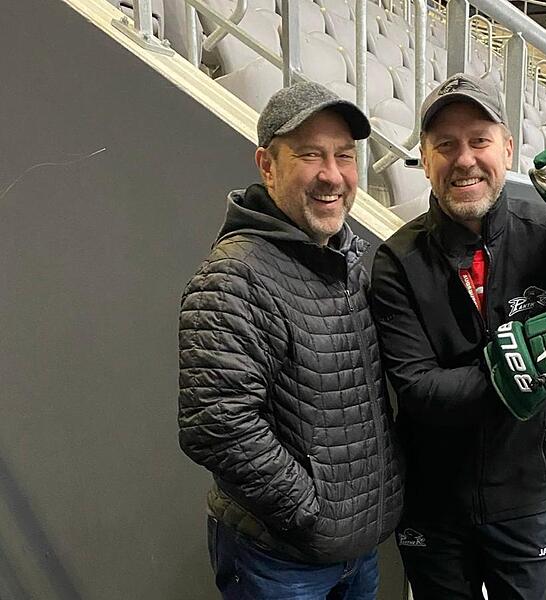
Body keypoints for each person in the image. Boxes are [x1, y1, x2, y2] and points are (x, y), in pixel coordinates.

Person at [370, 73, 546, 599]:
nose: (464, 160)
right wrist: (518, 368)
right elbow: (419, 391)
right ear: (425, 159)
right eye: (445, 145)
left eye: (479, 141)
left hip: (526, 500)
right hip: (433, 507)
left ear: (508, 147)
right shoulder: (395, 262)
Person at [178, 81, 403, 599]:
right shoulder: (234, 277)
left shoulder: (346, 261)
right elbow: (216, 425)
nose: (332, 175)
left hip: (356, 551)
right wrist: (312, 510)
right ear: (267, 166)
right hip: (281, 561)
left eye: (344, 156)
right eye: (310, 155)